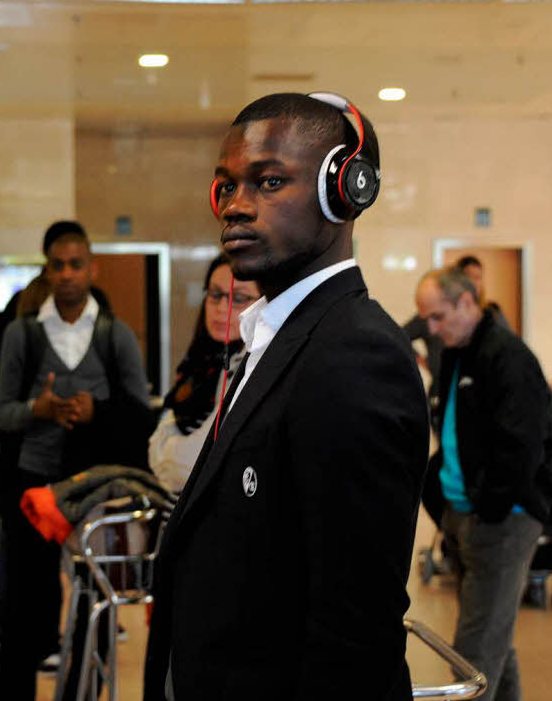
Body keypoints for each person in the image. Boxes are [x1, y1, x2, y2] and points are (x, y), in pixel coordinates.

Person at [143, 93, 429, 700]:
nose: (237, 207)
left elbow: (355, 627)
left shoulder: (355, 356)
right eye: (226, 187)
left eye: (269, 181)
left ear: (344, 191)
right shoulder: (276, 336)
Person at [0, 221, 150, 701]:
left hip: (92, 490)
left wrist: (95, 411)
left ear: (91, 268)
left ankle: (86, 692)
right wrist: (35, 411)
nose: (67, 274)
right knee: (25, 611)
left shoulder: (113, 335)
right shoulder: (23, 334)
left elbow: (139, 414)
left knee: (93, 606)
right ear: (47, 270)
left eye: (75, 264)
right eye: (57, 265)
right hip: (34, 486)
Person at [415, 267, 552, 701]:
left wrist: (488, 510)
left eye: (439, 317)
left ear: (467, 303)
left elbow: (522, 448)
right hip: (464, 515)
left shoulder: (509, 357)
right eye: (428, 321)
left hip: (503, 520)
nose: (433, 330)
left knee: (472, 655)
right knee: (495, 641)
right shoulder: (456, 353)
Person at [149, 254, 260, 493]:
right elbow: (156, 444)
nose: (221, 308)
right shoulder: (201, 362)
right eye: (215, 294)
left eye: (238, 298)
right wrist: (167, 456)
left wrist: (165, 453)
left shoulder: (252, 369)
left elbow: (190, 466)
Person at [456, 254, 511, 331]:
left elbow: (507, 341)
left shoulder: (493, 312)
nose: (473, 282)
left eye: (477, 277)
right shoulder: (450, 311)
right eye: (468, 276)